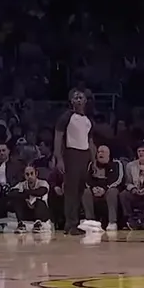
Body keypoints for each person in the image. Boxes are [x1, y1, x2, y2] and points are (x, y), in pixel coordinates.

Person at [53, 89, 95, 236]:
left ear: (85, 101)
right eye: (75, 98)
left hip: (84, 155)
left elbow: (90, 142)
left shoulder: (88, 120)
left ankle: (74, 223)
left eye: (81, 97)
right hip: (71, 154)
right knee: (71, 191)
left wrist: (94, 161)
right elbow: (58, 137)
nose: (78, 100)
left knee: (79, 191)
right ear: (71, 101)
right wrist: (59, 158)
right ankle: (70, 224)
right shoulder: (66, 117)